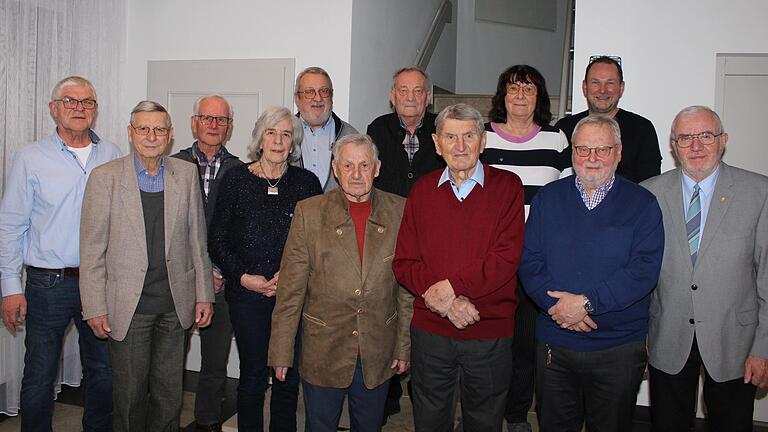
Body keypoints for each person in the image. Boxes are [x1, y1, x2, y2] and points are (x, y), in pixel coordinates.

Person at [519, 115, 664, 431]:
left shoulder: (643, 203)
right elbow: (529, 262)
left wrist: (586, 303)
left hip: (618, 348)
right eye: (583, 149)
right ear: (572, 152)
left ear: (619, 152)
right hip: (555, 344)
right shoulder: (548, 198)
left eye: (602, 149)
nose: (592, 159)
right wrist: (557, 306)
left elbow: (644, 271)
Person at [79, 100, 215, 432]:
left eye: (159, 129)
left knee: (169, 397)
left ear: (170, 136)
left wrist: (205, 295)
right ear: (131, 133)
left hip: (174, 305)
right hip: (128, 307)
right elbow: (92, 251)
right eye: (143, 128)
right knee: (129, 398)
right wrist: (94, 307)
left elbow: (198, 240)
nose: (151, 136)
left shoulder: (184, 175)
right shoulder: (104, 178)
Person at [393, 103, 525, 432]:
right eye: (451, 137)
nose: (460, 146)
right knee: (430, 418)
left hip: (489, 331)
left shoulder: (508, 187)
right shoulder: (422, 191)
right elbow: (404, 262)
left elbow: (506, 258)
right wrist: (449, 303)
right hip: (431, 332)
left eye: (469, 136)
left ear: (483, 141)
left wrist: (451, 289)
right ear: (437, 144)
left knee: (484, 420)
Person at [268, 134, 412, 432]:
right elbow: (290, 292)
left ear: (377, 168)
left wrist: (403, 345)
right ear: (336, 169)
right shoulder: (309, 212)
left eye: (364, 165)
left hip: (377, 350)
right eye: (348, 165)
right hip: (324, 349)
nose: (356, 174)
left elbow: (406, 290)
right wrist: (281, 351)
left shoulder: (401, 211)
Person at [0, 75, 120, 432]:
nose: (79, 108)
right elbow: (10, 224)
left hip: (99, 282)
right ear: (54, 109)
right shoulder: (30, 158)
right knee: (39, 374)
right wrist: (10, 286)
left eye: (87, 102)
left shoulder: (113, 154)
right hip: (48, 283)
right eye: (70, 101)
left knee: (103, 371)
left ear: (95, 110)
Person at [641, 106, 768, 432]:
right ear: (674, 144)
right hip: (668, 336)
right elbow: (641, 272)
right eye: (685, 138)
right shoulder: (649, 194)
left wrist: (763, 348)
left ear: (723, 140)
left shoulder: (759, 193)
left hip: (735, 341)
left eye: (706, 136)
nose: (696, 146)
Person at [208, 106, 322, 431]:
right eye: (272, 132)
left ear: (293, 142)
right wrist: (243, 277)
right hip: (247, 296)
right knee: (254, 375)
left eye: (286, 134)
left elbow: (316, 240)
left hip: (293, 297)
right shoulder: (235, 179)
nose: (278, 140)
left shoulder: (306, 183)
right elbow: (216, 239)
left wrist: (290, 276)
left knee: (287, 376)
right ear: (260, 138)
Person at [482, 65, 572, 432]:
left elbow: (567, 200)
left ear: (540, 97)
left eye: (529, 89)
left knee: (524, 345)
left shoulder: (556, 140)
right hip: (490, 258)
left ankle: (516, 415)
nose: (520, 96)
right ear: (502, 95)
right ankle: (483, 413)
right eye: (513, 88)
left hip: (536, 260)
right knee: (488, 344)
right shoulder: (482, 137)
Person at [172, 94, 242, 432]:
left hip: (222, 282)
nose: (213, 125)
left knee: (215, 361)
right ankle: (165, 419)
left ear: (229, 127)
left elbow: (240, 232)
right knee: (170, 360)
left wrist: (217, 271)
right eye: (207, 118)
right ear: (194, 122)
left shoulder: (242, 172)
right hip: (177, 280)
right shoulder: (172, 164)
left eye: (221, 120)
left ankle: (208, 420)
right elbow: (166, 231)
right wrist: (196, 271)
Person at [555, 56, 661, 183]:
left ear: (621, 88)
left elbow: (650, 185)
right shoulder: (565, 128)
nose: (603, 90)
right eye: (595, 82)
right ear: (584, 87)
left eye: (610, 83)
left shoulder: (642, 129)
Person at [367, 66, 444, 197]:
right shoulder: (378, 128)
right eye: (403, 91)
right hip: (388, 210)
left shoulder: (442, 127)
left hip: (432, 208)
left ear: (429, 97)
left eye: (418, 91)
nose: (410, 98)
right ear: (393, 97)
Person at [294, 66, 357, 191]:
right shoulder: (283, 136)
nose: (318, 98)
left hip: (337, 210)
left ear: (332, 97)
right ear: (297, 99)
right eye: (309, 92)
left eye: (324, 91)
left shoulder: (351, 137)